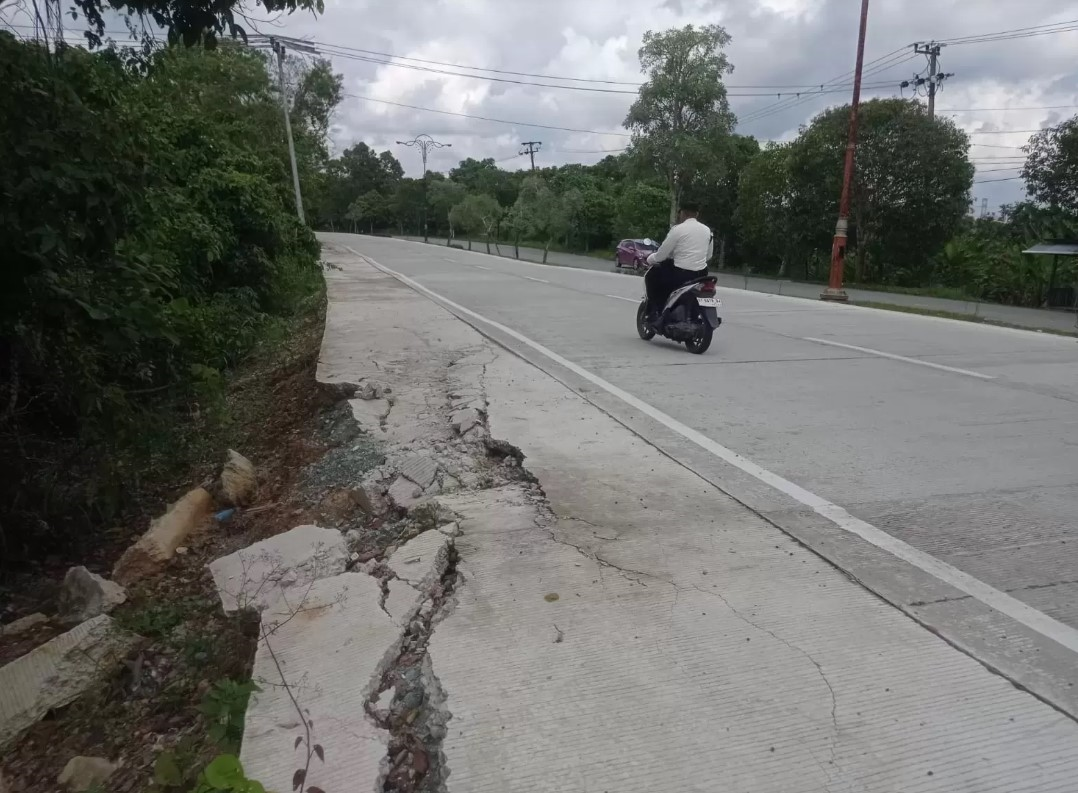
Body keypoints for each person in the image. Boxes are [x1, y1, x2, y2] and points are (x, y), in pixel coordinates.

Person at [644, 202, 714, 323]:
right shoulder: (707, 231)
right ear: (697, 214)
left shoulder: (677, 230)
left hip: (680, 275)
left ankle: (656, 312)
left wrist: (649, 259)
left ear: (682, 213)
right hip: (701, 275)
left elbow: (662, 255)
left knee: (652, 276)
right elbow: (709, 255)